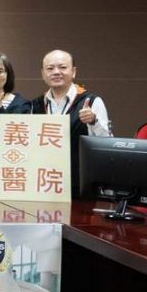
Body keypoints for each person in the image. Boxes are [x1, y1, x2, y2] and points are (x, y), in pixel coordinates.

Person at [31, 49, 111, 194]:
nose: (56, 72)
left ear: (73, 72)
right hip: (45, 183)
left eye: (62, 67)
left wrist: (93, 121)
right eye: (50, 68)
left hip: (79, 184)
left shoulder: (91, 101)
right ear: (43, 74)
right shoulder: (35, 105)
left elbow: (107, 143)